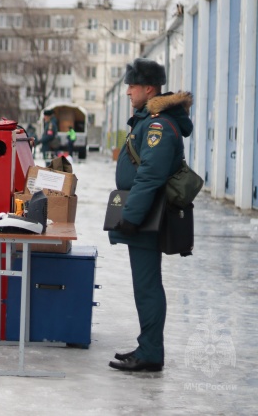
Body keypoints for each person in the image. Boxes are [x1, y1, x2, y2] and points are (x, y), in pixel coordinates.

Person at [108, 58, 193, 373]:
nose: (128, 91)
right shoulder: (149, 119)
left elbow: (150, 176)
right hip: (146, 211)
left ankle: (151, 353)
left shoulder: (157, 125)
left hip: (148, 215)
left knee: (147, 284)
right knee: (145, 283)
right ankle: (148, 346)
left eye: (132, 85)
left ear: (148, 88)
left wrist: (131, 217)